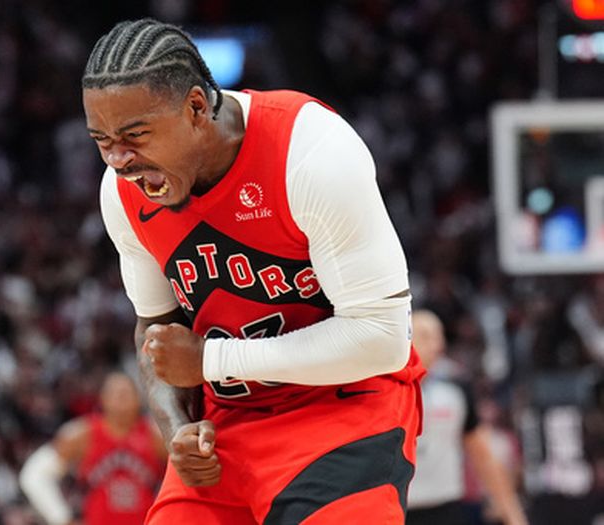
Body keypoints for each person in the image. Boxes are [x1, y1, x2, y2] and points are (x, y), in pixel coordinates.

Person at [85, 18, 424, 524]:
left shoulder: (310, 152)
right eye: (101, 139)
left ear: (197, 107)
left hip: (343, 409)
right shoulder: (122, 195)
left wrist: (213, 359)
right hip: (230, 424)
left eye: (135, 135)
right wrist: (177, 426)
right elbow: (157, 335)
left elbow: (382, 338)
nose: (118, 160)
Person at [407, 309, 528, 525]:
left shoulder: (457, 386)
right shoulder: (383, 386)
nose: (436, 344)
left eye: (438, 336)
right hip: (395, 508)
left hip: (444, 507)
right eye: (425, 336)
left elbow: (483, 454)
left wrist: (512, 513)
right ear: (404, 336)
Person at [19, 371, 167, 525]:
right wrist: (62, 518)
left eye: (126, 392)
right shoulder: (81, 435)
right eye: (115, 393)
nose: (121, 397)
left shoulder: (156, 436)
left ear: (138, 399)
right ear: (102, 399)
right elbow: (34, 475)